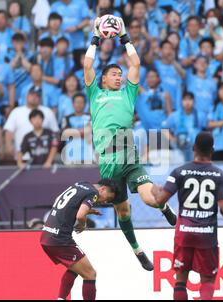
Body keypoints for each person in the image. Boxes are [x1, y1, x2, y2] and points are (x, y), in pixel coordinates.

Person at [84, 16, 177, 271]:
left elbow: (135, 63)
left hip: (129, 158)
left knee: (150, 199)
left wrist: (124, 36)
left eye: (120, 74)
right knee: (123, 213)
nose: (118, 77)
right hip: (108, 165)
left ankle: (164, 206)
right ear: (103, 79)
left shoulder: (128, 92)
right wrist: (95, 37)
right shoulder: (96, 93)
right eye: (114, 74)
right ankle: (138, 251)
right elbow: (87, 65)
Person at [151, 131, 223, 301]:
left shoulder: (179, 172)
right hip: (207, 234)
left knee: (180, 279)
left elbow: (160, 200)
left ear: (194, 148)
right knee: (208, 279)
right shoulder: (220, 175)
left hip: (184, 232)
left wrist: (155, 191)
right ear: (212, 150)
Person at [40, 179, 118, 300]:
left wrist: (87, 210)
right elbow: (80, 216)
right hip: (60, 239)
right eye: (107, 198)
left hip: (47, 235)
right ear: (102, 189)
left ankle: (61, 298)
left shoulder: (81, 184)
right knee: (90, 274)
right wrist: (82, 224)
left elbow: (63, 201)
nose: (105, 201)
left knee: (75, 269)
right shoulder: (94, 193)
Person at [4, 89, 59, 160]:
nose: (34, 97)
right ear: (26, 96)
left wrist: (53, 151)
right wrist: (9, 146)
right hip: (22, 156)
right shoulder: (16, 111)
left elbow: (55, 132)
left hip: (45, 158)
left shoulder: (48, 111)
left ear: (40, 98)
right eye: (31, 95)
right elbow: (9, 131)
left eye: (37, 95)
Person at [162, 91, 200, 162]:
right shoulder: (174, 115)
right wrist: (172, 139)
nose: (187, 102)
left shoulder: (200, 115)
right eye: (185, 99)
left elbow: (207, 129)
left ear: (194, 101)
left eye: (190, 99)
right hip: (179, 150)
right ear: (181, 101)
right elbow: (164, 129)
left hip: (196, 151)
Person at [61, 93, 93, 164]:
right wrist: (83, 131)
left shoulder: (91, 117)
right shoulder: (66, 118)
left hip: (88, 157)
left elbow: (89, 132)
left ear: (85, 104)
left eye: (81, 102)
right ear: (73, 104)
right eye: (77, 102)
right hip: (70, 157)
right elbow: (65, 134)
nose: (79, 104)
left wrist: (72, 132)